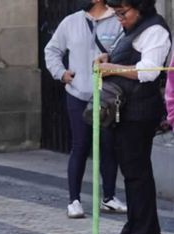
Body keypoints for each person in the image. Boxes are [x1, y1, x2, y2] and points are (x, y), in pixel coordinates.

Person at [99, 0, 171, 234]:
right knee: (130, 170)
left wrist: (112, 68)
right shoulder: (133, 28)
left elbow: (148, 71)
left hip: (140, 111)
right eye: (116, 13)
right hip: (126, 110)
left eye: (123, 13)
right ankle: (135, 225)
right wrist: (109, 58)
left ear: (139, 8)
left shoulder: (155, 30)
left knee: (138, 171)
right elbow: (128, 56)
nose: (120, 18)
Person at [44, 0, 125, 219]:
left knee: (108, 146)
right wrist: (61, 73)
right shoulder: (70, 22)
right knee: (80, 145)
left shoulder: (117, 22)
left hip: (107, 96)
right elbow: (52, 50)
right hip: (78, 94)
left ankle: (108, 197)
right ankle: (74, 200)